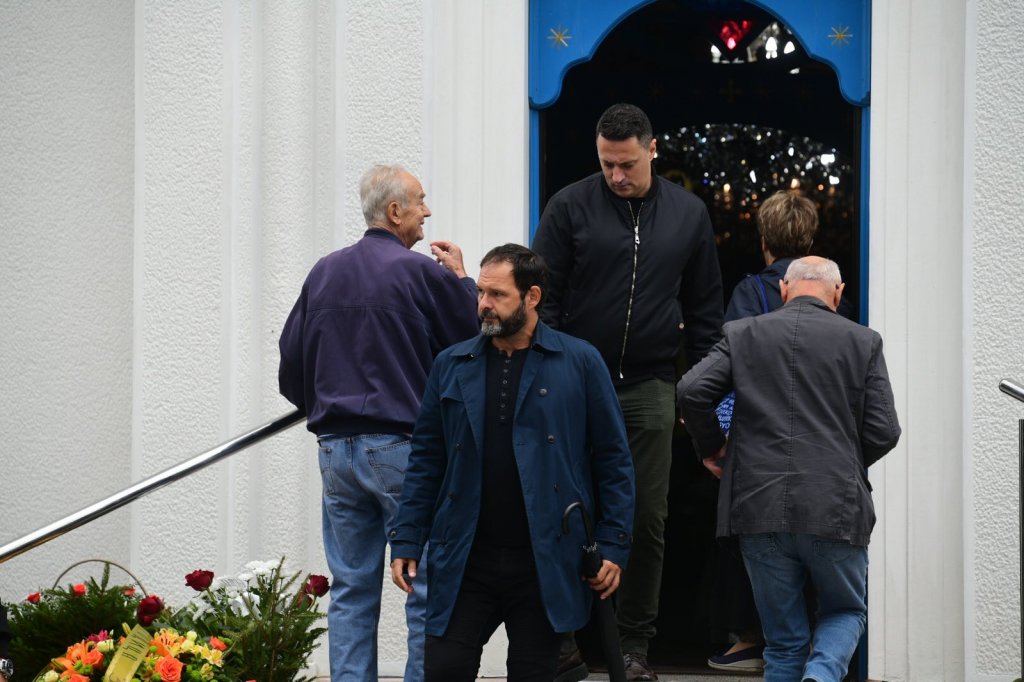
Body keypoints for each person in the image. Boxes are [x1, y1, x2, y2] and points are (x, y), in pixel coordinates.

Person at [532, 102, 724, 681]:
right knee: (565, 509)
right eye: (607, 164)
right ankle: (563, 641)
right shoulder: (568, 206)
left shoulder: (689, 214)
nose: (616, 176)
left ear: (653, 150)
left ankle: (636, 646)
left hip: (651, 384)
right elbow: (543, 298)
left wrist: (702, 393)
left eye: (628, 164)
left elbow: (705, 311)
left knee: (646, 518)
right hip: (574, 382)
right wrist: (552, 371)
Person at [388, 244, 635, 682]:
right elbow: (426, 458)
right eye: (481, 292)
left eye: (498, 295)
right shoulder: (451, 364)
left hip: (545, 561)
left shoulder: (579, 361)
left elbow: (614, 458)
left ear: (532, 297)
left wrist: (613, 542)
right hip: (465, 557)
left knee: (532, 673)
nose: (484, 304)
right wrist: (407, 536)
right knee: (443, 669)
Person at [278, 164, 479, 682]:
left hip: (334, 450)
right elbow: (471, 341)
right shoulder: (420, 273)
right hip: (400, 447)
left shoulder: (324, 271)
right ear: (394, 211)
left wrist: (324, 406)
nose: (427, 212)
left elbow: (291, 361)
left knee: (351, 587)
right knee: (424, 582)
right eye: (420, 201)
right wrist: (462, 280)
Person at [677, 256, 902, 682]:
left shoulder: (743, 333)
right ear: (838, 293)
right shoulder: (863, 341)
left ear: (783, 289)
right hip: (834, 504)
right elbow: (884, 431)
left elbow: (691, 390)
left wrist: (714, 449)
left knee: (782, 641)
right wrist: (843, 464)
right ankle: (820, 676)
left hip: (757, 504)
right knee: (844, 611)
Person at [708, 190, 821, 673]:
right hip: (817, 434)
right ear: (810, 240)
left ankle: (754, 639)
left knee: (747, 537)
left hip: (758, 434)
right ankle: (809, 639)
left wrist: (718, 439)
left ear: (763, 241)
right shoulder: (832, 294)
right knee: (810, 537)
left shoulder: (749, 293)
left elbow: (726, 369)